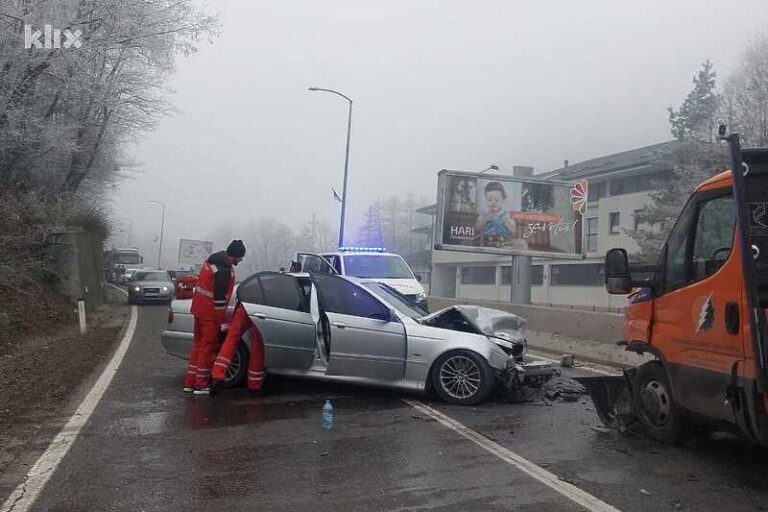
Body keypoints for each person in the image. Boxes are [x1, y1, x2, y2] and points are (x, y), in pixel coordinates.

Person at [184, 239, 246, 395]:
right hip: (210, 314)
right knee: (207, 348)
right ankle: (201, 384)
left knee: (198, 346)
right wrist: (221, 320)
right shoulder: (224, 269)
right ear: (235, 256)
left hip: (198, 309)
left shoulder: (211, 261)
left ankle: (189, 383)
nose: (240, 260)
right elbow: (219, 297)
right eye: (240, 257)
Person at [211, 299, 266, 395]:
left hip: (243, 307)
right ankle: (254, 385)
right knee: (257, 347)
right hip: (260, 308)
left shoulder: (251, 284)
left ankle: (218, 374)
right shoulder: (275, 284)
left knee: (231, 340)